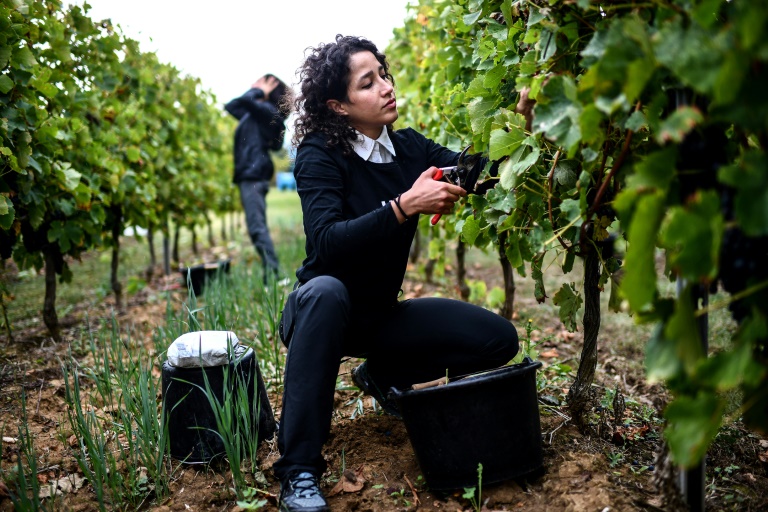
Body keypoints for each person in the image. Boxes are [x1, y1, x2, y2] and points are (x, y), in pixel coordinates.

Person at [274, 35, 533, 512]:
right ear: (339, 105)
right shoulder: (319, 153)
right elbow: (326, 242)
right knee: (328, 292)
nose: (386, 87)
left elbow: (478, 174)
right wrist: (401, 206)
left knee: (498, 339)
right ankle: (298, 471)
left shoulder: (409, 149)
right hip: (322, 311)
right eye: (367, 83)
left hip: (379, 318)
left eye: (384, 75)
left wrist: (521, 121)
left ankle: (380, 374)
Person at [225, 74, 289, 284]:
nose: (253, 84)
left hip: (253, 174)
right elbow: (232, 106)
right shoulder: (256, 114)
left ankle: (275, 275)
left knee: (256, 226)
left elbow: (242, 101)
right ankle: (271, 273)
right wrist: (259, 92)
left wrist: (260, 92)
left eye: (261, 81)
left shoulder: (267, 112)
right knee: (256, 225)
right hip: (251, 173)